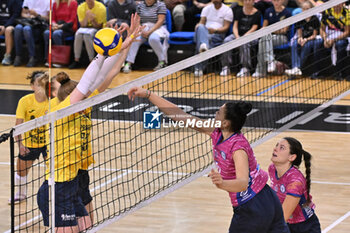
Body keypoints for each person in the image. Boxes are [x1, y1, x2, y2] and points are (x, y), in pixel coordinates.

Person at [127, 88, 290, 233]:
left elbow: (242, 182)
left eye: (218, 113)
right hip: (266, 199)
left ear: (225, 123)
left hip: (253, 205)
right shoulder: (216, 132)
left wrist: (222, 184)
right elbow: (180, 116)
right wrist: (149, 95)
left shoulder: (238, 147)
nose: (214, 114)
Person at [36, 13, 143, 232]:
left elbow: (108, 74)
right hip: (59, 185)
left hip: (77, 175)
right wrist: (101, 54)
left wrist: (125, 44)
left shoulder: (84, 105)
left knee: (88, 226)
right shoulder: (62, 110)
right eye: (81, 94)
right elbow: (86, 82)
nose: (86, 93)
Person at [9, 70, 48, 204]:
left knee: (55, 170)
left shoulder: (52, 101)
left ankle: (55, 194)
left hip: (49, 143)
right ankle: (20, 194)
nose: (42, 88)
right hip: (30, 143)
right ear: (32, 86)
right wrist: (20, 145)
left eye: (44, 84)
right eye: (39, 85)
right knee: (21, 171)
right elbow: (18, 127)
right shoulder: (25, 101)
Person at [269, 137, 321, 233]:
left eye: (282, 148)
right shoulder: (272, 169)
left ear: (291, 157)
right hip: (287, 224)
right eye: (276, 145)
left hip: (304, 227)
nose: (275, 149)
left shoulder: (295, 181)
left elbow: (282, 217)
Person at [122, 0, 169, 73]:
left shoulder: (161, 5)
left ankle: (162, 62)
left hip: (158, 28)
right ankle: (128, 63)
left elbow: (160, 21)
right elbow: (137, 20)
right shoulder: (140, 6)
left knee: (153, 38)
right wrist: (140, 30)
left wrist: (149, 32)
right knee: (135, 39)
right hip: (143, 27)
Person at [220, 0, 261, 77]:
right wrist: (237, 37)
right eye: (245, 0)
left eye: (249, 0)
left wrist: (244, 37)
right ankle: (226, 67)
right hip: (238, 35)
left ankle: (245, 68)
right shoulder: (239, 11)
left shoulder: (257, 13)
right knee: (227, 40)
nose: (247, 2)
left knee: (244, 42)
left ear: (253, 2)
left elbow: (254, 28)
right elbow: (235, 26)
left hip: (251, 36)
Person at [193, 0, 233, 77]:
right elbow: (201, 23)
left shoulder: (228, 10)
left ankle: (199, 68)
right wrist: (197, 26)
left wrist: (215, 30)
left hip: (217, 34)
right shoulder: (206, 9)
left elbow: (226, 27)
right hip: (205, 32)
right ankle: (204, 45)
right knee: (201, 28)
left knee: (203, 41)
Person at [252, 0, 291, 77]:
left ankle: (261, 70)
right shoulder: (268, 11)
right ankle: (269, 62)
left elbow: (283, 31)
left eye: (278, 1)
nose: (276, 2)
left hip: (282, 38)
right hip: (269, 37)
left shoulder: (287, 13)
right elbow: (264, 27)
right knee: (262, 41)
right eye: (274, 1)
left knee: (264, 39)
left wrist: (270, 30)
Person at [311, 3, 350, 80]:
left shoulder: (347, 13)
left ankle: (338, 73)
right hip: (328, 36)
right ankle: (319, 72)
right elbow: (322, 29)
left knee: (340, 44)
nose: (337, 5)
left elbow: (347, 32)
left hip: (341, 36)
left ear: (343, 4)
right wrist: (325, 39)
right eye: (335, 3)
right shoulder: (327, 11)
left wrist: (334, 40)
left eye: (339, 3)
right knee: (318, 43)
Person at [285, 1, 322, 76]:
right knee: (295, 44)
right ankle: (295, 67)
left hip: (312, 39)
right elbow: (299, 32)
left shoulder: (314, 19)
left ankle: (298, 67)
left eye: (308, 9)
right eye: (304, 9)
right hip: (303, 38)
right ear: (302, 10)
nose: (306, 10)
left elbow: (314, 35)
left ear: (311, 9)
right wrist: (300, 38)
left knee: (307, 46)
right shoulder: (300, 18)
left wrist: (306, 40)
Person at [69, 0, 107, 69]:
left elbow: (99, 26)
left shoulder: (101, 7)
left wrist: (92, 19)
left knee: (87, 36)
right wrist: (87, 17)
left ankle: (91, 60)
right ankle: (76, 60)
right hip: (85, 28)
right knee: (78, 34)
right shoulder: (81, 7)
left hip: (97, 29)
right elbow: (82, 25)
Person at [13, 0, 50, 67]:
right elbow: (23, 13)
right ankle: (18, 55)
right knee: (18, 28)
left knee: (26, 29)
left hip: (39, 25)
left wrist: (36, 15)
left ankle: (32, 57)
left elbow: (48, 18)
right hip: (28, 21)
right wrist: (29, 17)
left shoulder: (48, 1)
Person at [43, 0, 78, 67]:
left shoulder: (73, 3)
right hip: (56, 26)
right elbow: (53, 18)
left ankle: (60, 60)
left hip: (68, 27)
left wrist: (60, 26)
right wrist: (54, 24)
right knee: (47, 33)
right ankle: (48, 58)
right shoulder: (56, 3)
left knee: (57, 34)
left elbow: (72, 19)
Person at [0, 0, 22, 66]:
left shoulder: (16, 1)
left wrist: (5, 26)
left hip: (11, 24)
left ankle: (7, 56)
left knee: (8, 30)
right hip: (1, 25)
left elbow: (16, 15)